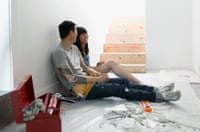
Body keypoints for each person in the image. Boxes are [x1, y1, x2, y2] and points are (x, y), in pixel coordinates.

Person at [51, 20, 181, 102]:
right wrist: (97, 79)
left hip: (90, 81)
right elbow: (71, 79)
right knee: (119, 89)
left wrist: (97, 74)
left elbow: (84, 67)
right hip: (80, 91)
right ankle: (159, 97)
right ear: (70, 33)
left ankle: (156, 90)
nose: (77, 34)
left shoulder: (73, 48)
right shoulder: (59, 53)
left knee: (124, 81)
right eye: (75, 30)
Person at [74, 26, 141, 84]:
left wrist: (96, 66)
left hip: (90, 70)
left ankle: (135, 81)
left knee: (112, 63)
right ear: (77, 37)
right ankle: (137, 82)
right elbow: (82, 68)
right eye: (82, 34)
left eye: (86, 33)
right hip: (85, 73)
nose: (86, 36)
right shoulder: (75, 50)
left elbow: (86, 65)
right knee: (111, 63)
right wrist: (95, 68)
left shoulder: (85, 49)